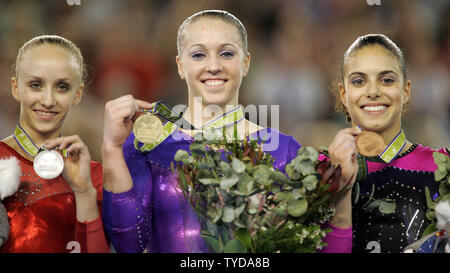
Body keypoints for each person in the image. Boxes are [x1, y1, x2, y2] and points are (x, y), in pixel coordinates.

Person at [101, 10, 357, 253]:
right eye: (198, 55)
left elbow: (316, 246)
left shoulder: (285, 150)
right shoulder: (147, 146)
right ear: (180, 66)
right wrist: (111, 150)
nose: (213, 66)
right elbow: (128, 245)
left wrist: (342, 190)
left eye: (226, 54)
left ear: (246, 63)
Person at [333, 34, 449, 253]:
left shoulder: (443, 167)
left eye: (387, 80)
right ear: (343, 93)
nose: (373, 91)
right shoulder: (321, 171)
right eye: (359, 81)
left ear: (405, 90)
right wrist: (339, 189)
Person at [0, 35, 109, 253]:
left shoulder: (94, 175)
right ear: (16, 88)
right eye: (35, 85)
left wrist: (84, 192)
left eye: (62, 87)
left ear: (77, 94)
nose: (48, 100)